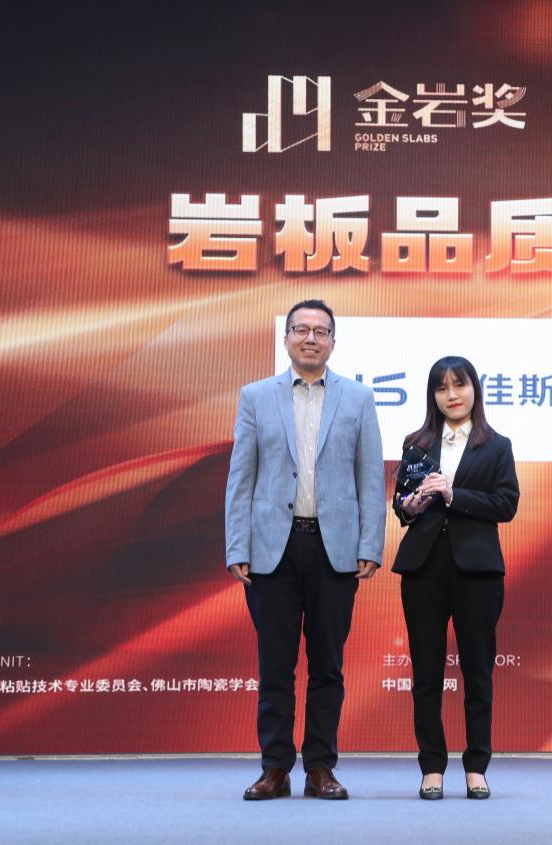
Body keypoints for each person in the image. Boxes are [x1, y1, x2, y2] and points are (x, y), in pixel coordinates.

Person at [224, 299, 385, 801]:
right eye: (301, 329)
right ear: (287, 338)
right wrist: (237, 545)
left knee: (327, 666)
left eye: (321, 331)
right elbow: (241, 477)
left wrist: (370, 544)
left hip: (334, 550)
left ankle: (320, 768)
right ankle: (275, 768)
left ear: (334, 341)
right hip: (272, 548)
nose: (310, 338)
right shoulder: (256, 396)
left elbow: (369, 477)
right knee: (275, 666)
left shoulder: (358, 398)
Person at [392, 356, 519, 800]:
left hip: (477, 572)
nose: (452, 395)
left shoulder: (497, 446)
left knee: (478, 672)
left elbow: (506, 505)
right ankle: (431, 767)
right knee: (426, 674)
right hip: (423, 569)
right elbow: (402, 504)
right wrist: (409, 507)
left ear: (474, 390)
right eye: (442, 387)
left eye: (459, 385)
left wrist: (453, 494)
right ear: (433, 396)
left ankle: (476, 767)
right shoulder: (416, 443)